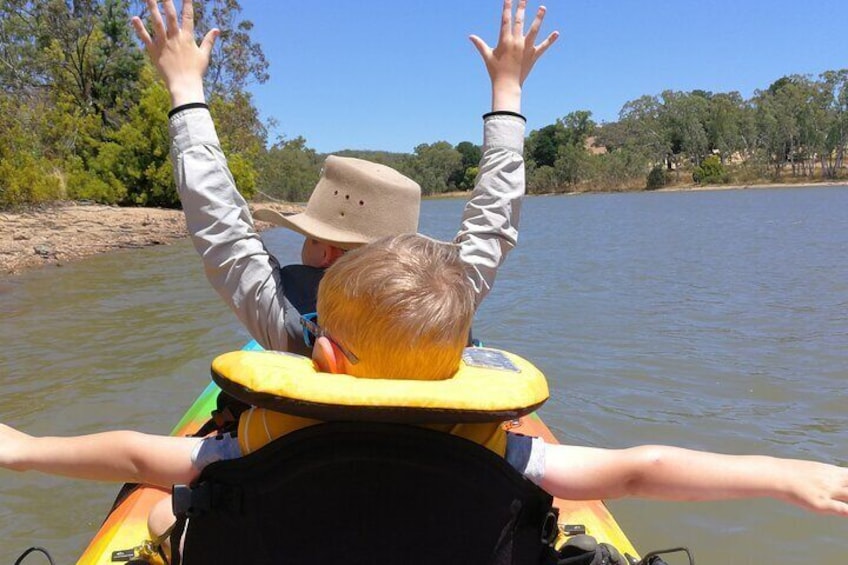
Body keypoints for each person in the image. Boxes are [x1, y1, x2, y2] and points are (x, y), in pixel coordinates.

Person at [2, 235, 847, 520]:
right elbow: (641, 468)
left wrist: (26, 448)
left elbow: (136, 456)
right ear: (457, 368)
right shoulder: (508, 453)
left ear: (323, 358)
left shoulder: (253, 442)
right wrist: (782, 473)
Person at [130, 0, 560, 356]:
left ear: (325, 255)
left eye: (315, 237)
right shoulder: (447, 303)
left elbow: (219, 227)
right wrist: (508, 92)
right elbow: (493, 223)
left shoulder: (285, 321)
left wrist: (185, 88)